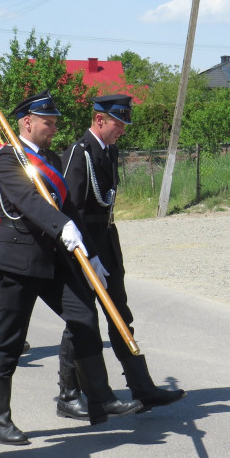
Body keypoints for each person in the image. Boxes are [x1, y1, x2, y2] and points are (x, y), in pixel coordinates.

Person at [0, 90, 141, 445]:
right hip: (18, 263)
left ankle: (95, 397)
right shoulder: (9, 158)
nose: (54, 128)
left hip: (55, 261)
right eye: (47, 123)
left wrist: (91, 252)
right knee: (8, 341)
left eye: (54, 123)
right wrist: (60, 225)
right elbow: (27, 202)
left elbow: (70, 210)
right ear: (27, 122)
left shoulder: (51, 158)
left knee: (84, 318)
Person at [55, 94, 184, 419]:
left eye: (124, 124)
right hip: (82, 249)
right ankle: (68, 395)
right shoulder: (78, 153)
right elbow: (70, 210)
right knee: (81, 321)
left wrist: (104, 252)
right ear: (99, 120)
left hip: (107, 244)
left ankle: (142, 386)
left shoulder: (109, 152)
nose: (122, 131)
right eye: (118, 124)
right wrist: (88, 254)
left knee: (120, 316)